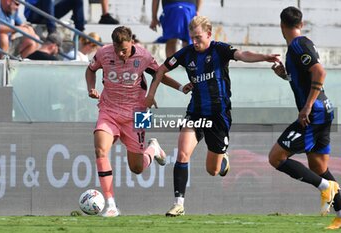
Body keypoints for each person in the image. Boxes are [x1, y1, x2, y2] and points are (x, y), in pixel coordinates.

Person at [145, 15, 280, 217]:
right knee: (182, 154)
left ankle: (222, 158)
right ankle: (178, 203)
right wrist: (151, 95)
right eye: (192, 38)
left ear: (209, 34)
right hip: (196, 112)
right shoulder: (186, 54)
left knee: (213, 170)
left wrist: (264, 57)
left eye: (199, 37)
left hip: (219, 115)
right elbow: (160, 70)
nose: (195, 42)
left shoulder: (220, 49)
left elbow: (243, 55)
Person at [85, 26, 185, 217]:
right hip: (109, 109)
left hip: (139, 113)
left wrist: (181, 87)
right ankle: (111, 204)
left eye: (124, 49)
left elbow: (159, 74)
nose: (120, 54)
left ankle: (153, 149)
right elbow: (90, 71)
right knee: (100, 149)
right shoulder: (103, 53)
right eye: (117, 49)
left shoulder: (144, 56)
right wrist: (91, 88)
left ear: (132, 42)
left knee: (137, 168)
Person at [269, 6, 341, 229]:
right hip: (324, 109)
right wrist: (285, 76)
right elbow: (304, 77)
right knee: (318, 166)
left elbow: (320, 72)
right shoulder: (296, 48)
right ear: (300, 23)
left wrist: (307, 107)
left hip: (315, 112)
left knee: (276, 157)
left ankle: (325, 188)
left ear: (282, 26)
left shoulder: (299, 45)